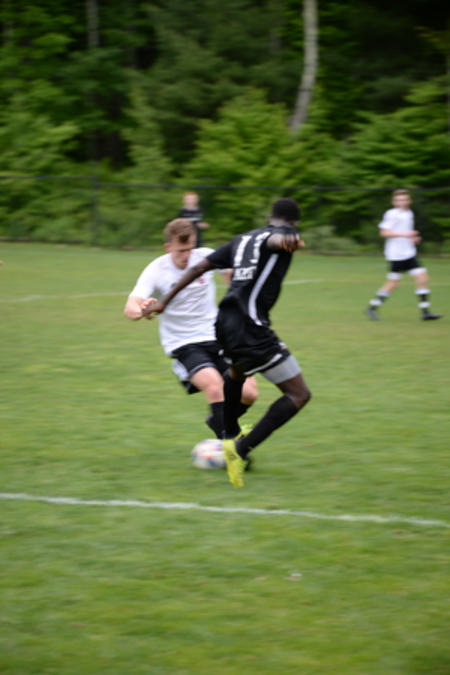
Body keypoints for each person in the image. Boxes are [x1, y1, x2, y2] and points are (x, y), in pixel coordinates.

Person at [145, 198, 311, 488]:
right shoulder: (281, 235)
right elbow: (276, 239)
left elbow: (197, 269)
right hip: (251, 328)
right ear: (294, 223)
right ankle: (240, 450)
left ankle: (225, 427)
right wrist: (289, 238)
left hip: (224, 323)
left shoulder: (241, 239)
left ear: (269, 217)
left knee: (237, 374)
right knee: (298, 394)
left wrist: (164, 302)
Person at [124, 218, 258, 439]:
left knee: (249, 393)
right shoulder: (156, 270)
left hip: (218, 337)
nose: (186, 255)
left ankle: (220, 423)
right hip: (184, 344)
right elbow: (130, 307)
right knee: (215, 387)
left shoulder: (204, 257)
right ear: (168, 247)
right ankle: (233, 446)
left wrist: (235, 287)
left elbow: (231, 273)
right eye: (180, 251)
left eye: (190, 249)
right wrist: (141, 309)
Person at [365, 189, 442, 321]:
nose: (402, 202)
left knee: (422, 279)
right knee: (393, 283)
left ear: (409, 201)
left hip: (409, 253)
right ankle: (372, 308)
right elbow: (384, 233)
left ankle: (425, 312)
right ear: (393, 202)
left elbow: (406, 232)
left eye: (404, 199)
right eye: (399, 200)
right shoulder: (391, 214)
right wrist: (405, 235)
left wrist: (412, 238)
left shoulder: (409, 213)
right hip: (396, 255)